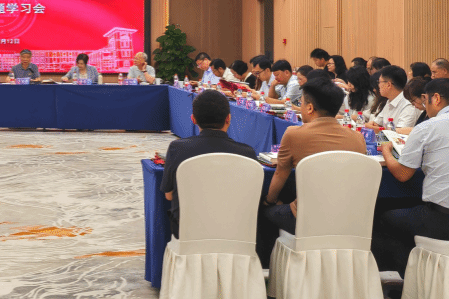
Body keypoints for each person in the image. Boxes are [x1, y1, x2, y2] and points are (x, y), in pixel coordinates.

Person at [257, 78, 366, 265]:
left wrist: (269, 201)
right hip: (348, 218)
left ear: (309, 108)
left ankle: (270, 270)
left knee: (264, 211)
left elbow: (280, 175)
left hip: (307, 219)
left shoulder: (294, 134)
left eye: (301, 103)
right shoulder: (358, 138)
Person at [373, 78, 449, 275]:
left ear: (436, 98)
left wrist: (386, 151)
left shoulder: (428, 127)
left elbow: (403, 174)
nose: (424, 106)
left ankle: (412, 279)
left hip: (442, 219)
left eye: (425, 100)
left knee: (384, 217)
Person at [160, 90, 257, 238]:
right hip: (235, 232)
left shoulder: (177, 149)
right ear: (228, 118)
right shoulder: (247, 153)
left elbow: (168, 196)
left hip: (187, 232)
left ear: (193, 119)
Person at [365, 65, 420, 130]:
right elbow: (376, 123)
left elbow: (399, 133)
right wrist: (373, 126)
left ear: (388, 85)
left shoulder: (408, 106)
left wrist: (376, 129)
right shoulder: (389, 100)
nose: (378, 85)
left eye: (379, 82)